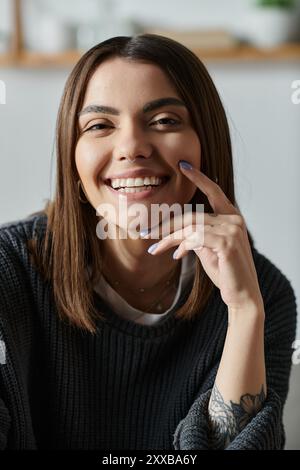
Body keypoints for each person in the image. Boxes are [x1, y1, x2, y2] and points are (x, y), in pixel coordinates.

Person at [0, 34, 297, 451]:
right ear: (72, 155)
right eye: (100, 125)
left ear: (206, 143)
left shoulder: (264, 293)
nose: (133, 147)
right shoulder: (7, 272)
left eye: (164, 121)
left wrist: (245, 312)